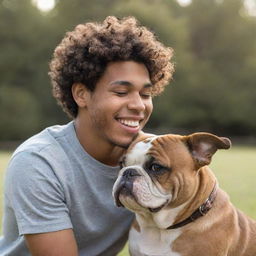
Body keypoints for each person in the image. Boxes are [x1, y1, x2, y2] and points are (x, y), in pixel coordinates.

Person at [0, 16, 174, 256]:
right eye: (121, 91)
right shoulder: (38, 163)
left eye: (145, 94)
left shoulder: (155, 158)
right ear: (82, 94)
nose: (138, 105)